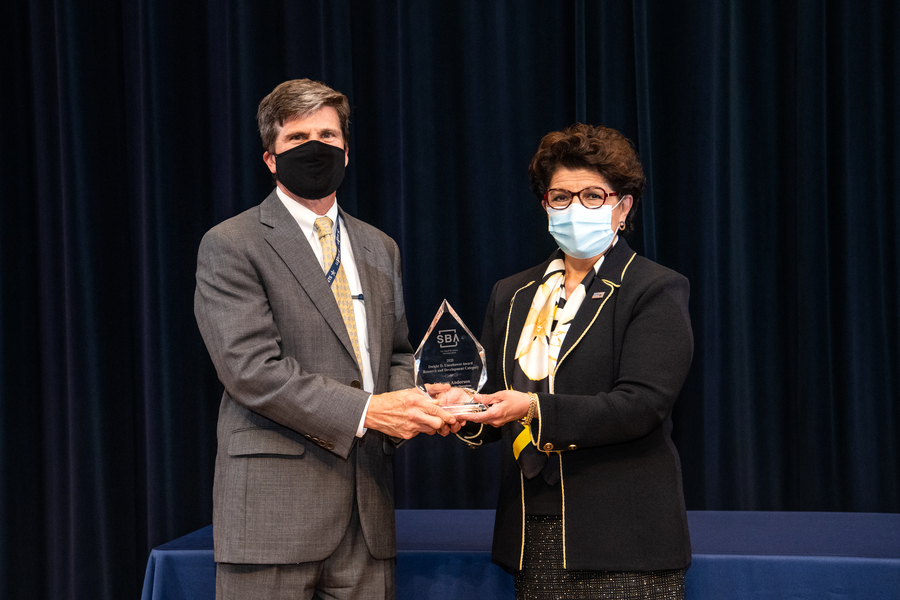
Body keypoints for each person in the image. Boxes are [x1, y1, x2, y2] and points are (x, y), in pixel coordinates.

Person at [194, 78, 458, 600]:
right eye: (297, 139)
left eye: (328, 135)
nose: (315, 148)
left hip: (368, 516)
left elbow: (399, 353)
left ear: (345, 149)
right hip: (273, 516)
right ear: (270, 158)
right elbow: (252, 371)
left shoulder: (380, 246)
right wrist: (370, 412)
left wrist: (415, 400)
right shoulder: (232, 243)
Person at [455, 124, 693, 599]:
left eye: (592, 196)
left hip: (625, 539)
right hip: (534, 533)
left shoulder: (654, 288)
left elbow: (641, 405)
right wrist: (460, 408)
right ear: (545, 206)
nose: (575, 209)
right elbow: (492, 398)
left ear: (622, 207)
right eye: (561, 197)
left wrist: (531, 409)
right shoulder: (513, 293)